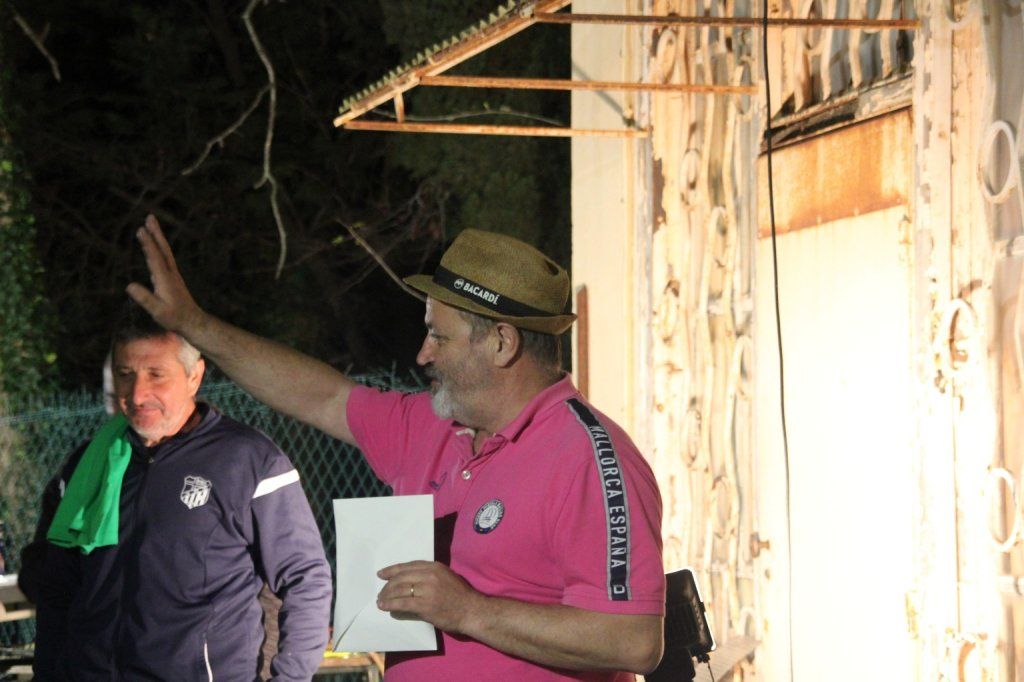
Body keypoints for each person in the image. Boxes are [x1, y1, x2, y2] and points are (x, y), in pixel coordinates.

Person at [128, 215, 666, 681]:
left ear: (502, 343)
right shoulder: (431, 426)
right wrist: (194, 325)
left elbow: (634, 640)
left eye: (440, 336)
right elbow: (320, 394)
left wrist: (469, 611)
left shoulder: (589, 458)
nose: (423, 353)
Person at [22, 307, 332, 680]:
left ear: (194, 376)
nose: (138, 394)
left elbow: (305, 577)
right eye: (125, 374)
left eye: (156, 375)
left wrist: (290, 676)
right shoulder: (87, 464)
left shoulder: (249, 460)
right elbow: (56, 590)